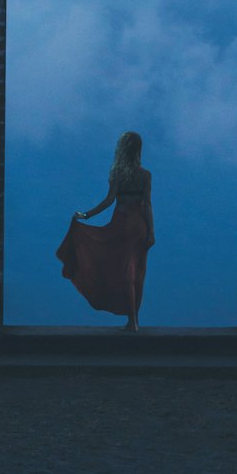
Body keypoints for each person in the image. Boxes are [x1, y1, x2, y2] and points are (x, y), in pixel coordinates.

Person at [55, 130, 155, 331]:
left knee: (126, 272)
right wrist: (151, 232)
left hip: (122, 224)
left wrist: (86, 215)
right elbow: (147, 205)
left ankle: (132, 321)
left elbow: (109, 201)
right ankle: (135, 320)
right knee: (139, 272)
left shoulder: (117, 174)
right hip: (140, 226)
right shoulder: (145, 175)